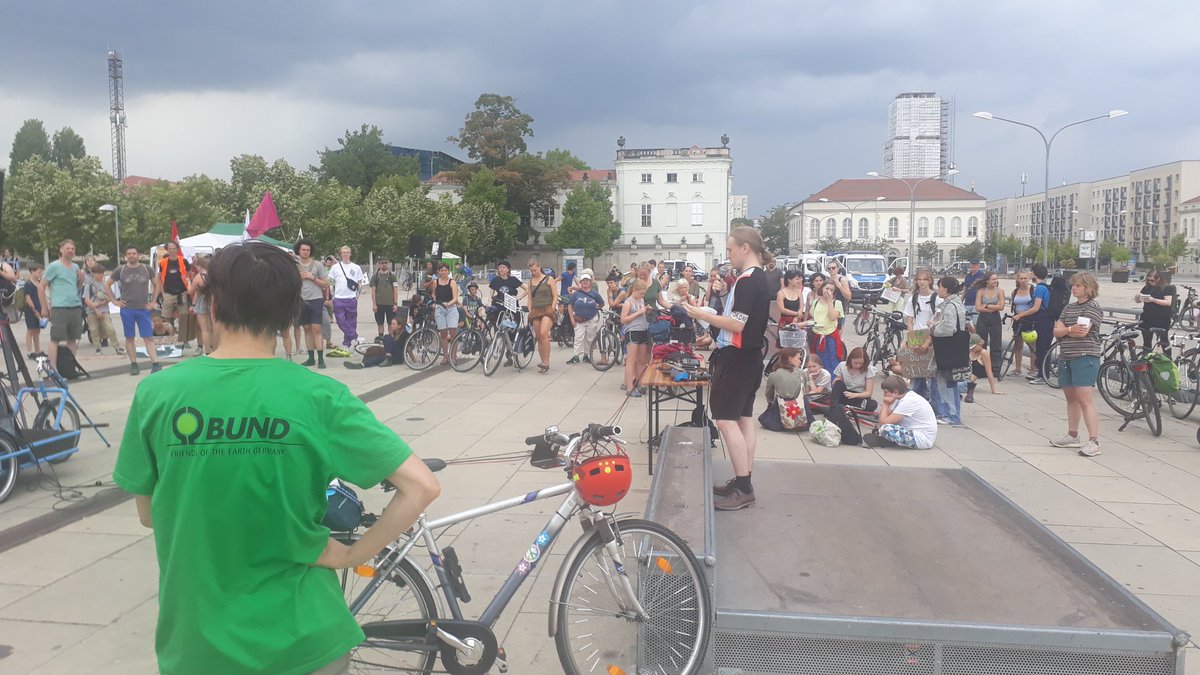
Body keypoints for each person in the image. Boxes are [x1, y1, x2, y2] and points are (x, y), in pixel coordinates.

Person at [113, 242, 441, 675]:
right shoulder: (319, 396)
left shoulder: (157, 394)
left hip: (199, 643)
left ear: (212, 301)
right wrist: (350, 555)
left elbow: (151, 515)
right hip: (307, 640)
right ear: (290, 310)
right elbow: (421, 485)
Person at [680, 226, 772, 512]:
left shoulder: (746, 281)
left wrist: (699, 314)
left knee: (725, 420)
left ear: (745, 248)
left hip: (737, 357)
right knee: (744, 417)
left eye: (731, 249)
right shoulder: (761, 278)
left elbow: (737, 324)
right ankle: (743, 478)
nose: (728, 255)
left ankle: (744, 487)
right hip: (751, 356)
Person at [1052, 272, 1105, 457]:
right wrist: (1068, 329)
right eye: (1073, 285)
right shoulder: (1069, 308)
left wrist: (1065, 330)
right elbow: (1056, 330)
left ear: (1088, 288)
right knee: (1070, 397)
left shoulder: (1092, 307)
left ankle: (1094, 440)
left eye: (1078, 285)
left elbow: (1081, 332)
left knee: (1084, 398)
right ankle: (1072, 434)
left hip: (1085, 356)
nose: (1074, 288)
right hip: (1066, 355)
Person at [108, 246, 162, 375]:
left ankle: (155, 363)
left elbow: (157, 284)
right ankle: (133, 363)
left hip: (143, 309)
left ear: (139, 255)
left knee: (148, 337)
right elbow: (107, 284)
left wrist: (153, 301)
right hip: (127, 310)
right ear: (126, 255)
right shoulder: (120, 270)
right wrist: (114, 301)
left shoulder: (146, 269)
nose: (131, 255)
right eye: (129, 253)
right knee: (130, 337)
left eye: (134, 253)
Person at [39, 239, 85, 369]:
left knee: (73, 338)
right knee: (56, 338)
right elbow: (41, 286)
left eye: (72, 249)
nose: (70, 251)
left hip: (75, 306)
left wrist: (81, 279)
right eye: (67, 248)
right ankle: (53, 368)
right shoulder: (54, 266)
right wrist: (44, 307)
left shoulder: (76, 267)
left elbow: (76, 287)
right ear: (61, 250)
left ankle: (70, 366)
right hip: (59, 307)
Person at [865, 376, 938, 449]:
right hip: (912, 431)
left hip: (922, 439)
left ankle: (887, 440)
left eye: (886, 392)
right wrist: (887, 405)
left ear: (895, 392)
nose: (884, 395)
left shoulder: (908, 401)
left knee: (886, 428)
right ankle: (888, 439)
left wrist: (885, 404)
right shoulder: (901, 398)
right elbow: (886, 416)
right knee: (882, 428)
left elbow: (884, 422)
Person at [903, 268, 940, 403]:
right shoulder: (913, 298)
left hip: (931, 335)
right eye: (919, 279)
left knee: (931, 372)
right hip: (917, 334)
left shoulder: (936, 298)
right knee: (916, 370)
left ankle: (932, 399)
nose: (922, 282)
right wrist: (911, 337)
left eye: (925, 279)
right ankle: (918, 397)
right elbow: (910, 319)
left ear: (930, 281)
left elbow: (938, 319)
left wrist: (928, 340)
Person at [294, 241, 330, 368]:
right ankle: (310, 358)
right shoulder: (294, 265)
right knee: (307, 329)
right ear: (298, 250)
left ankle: (320, 359)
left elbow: (326, 284)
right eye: (303, 249)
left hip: (316, 299)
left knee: (316, 329)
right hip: (301, 300)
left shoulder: (318, 265)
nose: (305, 252)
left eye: (308, 250)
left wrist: (312, 277)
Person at [522, 258, 557, 373]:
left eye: (535, 270)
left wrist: (552, 308)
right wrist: (530, 310)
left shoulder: (549, 279)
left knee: (543, 334)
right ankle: (543, 362)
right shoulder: (531, 281)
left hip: (547, 308)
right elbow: (530, 299)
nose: (533, 273)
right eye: (531, 271)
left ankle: (546, 361)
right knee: (539, 337)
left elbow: (555, 296)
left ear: (539, 267)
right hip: (536, 310)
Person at [328, 246, 365, 348]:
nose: (345, 254)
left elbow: (360, 282)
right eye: (343, 252)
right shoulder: (335, 267)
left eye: (347, 252)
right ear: (340, 254)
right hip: (339, 298)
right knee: (340, 321)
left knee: (351, 321)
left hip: (351, 298)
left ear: (350, 254)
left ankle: (346, 344)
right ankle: (355, 337)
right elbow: (331, 281)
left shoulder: (356, 267)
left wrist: (357, 296)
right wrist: (333, 295)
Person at [156, 241, 192, 349]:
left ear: (177, 249)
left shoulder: (183, 261)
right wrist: (162, 292)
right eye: (170, 248)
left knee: (183, 317)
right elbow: (159, 278)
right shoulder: (163, 262)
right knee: (167, 317)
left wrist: (189, 289)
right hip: (168, 293)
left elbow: (190, 276)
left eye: (174, 248)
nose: (172, 250)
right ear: (167, 250)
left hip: (182, 293)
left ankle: (184, 340)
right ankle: (170, 339)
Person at [621, 279, 652, 396]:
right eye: (641, 293)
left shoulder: (641, 300)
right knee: (631, 360)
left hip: (643, 330)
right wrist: (639, 312)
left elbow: (642, 315)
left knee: (642, 360)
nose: (642, 295)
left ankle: (640, 383)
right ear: (635, 290)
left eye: (644, 293)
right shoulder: (628, 302)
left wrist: (646, 311)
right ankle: (629, 387)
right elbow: (623, 319)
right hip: (632, 331)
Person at [567, 271, 606, 365]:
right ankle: (576, 355)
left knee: (590, 338)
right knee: (578, 337)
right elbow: (570, 305)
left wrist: (596, 308)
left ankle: (587, 355)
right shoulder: (576, 294)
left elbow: (602, 303)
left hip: (591, 319)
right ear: (580, 282)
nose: (585, 282)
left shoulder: (594, 294)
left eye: (587, 280)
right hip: (579, 319)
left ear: (590, 282)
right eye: (583, 280)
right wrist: (572, 319)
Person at [83, 265, 121, 355]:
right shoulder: (89, 285)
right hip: (91, 311)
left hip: (105, 310)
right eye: (98, 273)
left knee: (110, 329)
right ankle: (98, 348)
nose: (101, 275)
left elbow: (111, 297)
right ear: (93, 274)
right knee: (94, 330)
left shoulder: (106, 284)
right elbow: (87, 300)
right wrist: (96, 309)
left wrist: (103, 302)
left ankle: (117, 347)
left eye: (102, 273)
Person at [973, 271, 1005, 376]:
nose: (996, 281)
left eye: (996, 279)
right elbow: (978, 307)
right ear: (987, 281)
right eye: (993, 279)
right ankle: (981, 369)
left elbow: (1001, 306)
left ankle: (996, 369)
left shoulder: (1000, 291)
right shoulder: (981, 291)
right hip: (983, 318)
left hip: (995, 318)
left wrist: (987, 306)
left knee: (996, 343)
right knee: (981, 343)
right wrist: (990, 308)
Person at [1135, 271, 1174, 356]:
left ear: (1159, 279)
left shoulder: (1167, 288)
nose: (1150, 282)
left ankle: (1169, 360)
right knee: (1147, 340)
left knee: (1164, 341)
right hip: (1147, 317)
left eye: (1152, 281)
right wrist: (1138, 298)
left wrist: (1153, 300)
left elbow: (1168, 302)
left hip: (1161, 318)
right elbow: (1139, 300)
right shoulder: (1146, 288)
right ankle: (1147, 359)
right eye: (1148, 280)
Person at [1028, 264, 1055, 385]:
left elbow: (1036, 307)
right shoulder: (1046, 287)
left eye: (1031, 272)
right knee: (1043, 347)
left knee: (1042, 348)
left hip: (1043, 320)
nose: (1030, 274)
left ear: (1035, 274)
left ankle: (1043, 375)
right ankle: (1043, 374)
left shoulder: (1039, 288)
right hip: (1048, 320)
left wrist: (1021, 315)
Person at [809, 283, 844, 373]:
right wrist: (800, 324)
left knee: (832, 363)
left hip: (831, 337)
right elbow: (813, 320)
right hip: (818, 337)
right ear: (822, 289)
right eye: (826, 288)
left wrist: (829, 301)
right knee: (819, 362)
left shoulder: (837, 303)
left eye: (831, 290)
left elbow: (833, 317)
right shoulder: (816, 302)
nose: (828, 291)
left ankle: (833, 384)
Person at [1010, 271, 1039, 377]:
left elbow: (1036, 306)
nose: (1023, 281)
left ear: (1028, 279)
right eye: (1021, 278)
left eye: (1025, 278)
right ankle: (1017, 369)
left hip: (1029, 319)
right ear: (1017, 280)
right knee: (1018, 345)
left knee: (1032, 345)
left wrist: (1023, 315)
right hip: (1017, 319)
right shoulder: (1015, 292)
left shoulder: (1033, 290)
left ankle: (1033, 368)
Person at [431, 263, 460, 367]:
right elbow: (434, 294)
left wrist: (448, 304)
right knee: (443, 333)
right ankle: (445, 356)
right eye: (441, 270)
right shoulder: (436, 282)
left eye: (445, 270)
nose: (443, 272)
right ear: (438, 272)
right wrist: (434, 302)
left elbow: (455, 298)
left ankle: (453, 356)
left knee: (453, 332)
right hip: (439, 307)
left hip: (450, 308)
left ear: (448, 271)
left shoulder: (452, 282)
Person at [832, 347, 878, 412]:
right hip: (845, 393)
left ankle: (845, 407)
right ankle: (835, 406)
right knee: (838, 383)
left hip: (859, 396)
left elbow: (868, 393)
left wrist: (854, 395)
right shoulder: (842, 366)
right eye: (855, 363)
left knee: (872, 404)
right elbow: (838, 383)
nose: (858, 366)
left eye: (861, 363)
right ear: (850, 359)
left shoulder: (869, 369)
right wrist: (835, 382)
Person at [964, 333, 1004, 403]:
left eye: (974, 347)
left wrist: (994, 390)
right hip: (962, 377)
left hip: (969, 381)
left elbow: (989, 372)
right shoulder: (969, 351)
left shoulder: (983, 353)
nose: (972, 349)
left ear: (979, 344)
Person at [190, 256, 213, 357]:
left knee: (205, 329)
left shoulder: (199, 277)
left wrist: (189, 281)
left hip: (202, 302)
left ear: (200, 265)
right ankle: (215, 349)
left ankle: (207, 351)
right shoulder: (213, 275)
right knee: (212, 328)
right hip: (212, 301)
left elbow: (191, 291)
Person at [370, 258, 399, 338]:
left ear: (388, 264)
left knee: (391, 323)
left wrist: (395, 303)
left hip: (390, 304)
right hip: (379, 304)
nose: (384, 264)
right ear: (379, 264)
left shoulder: (392, 276)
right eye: (382, 263)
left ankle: (390, 338)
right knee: (380, 323)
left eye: (386, 263)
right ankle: (381, 338)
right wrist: (374, 304)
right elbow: (373, 291)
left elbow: (395, 290)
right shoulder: (375, 277)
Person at [23, 263, 45, 356]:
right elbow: (28, 298)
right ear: (32, 271)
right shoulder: (28, 284)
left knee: (37, 330)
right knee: (30, 330)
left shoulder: (40, 283)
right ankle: (29, 351)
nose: (41, 274)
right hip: (31, 310)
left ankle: (37, 350)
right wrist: (34, 309)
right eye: (39, 272)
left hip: (39, 309)